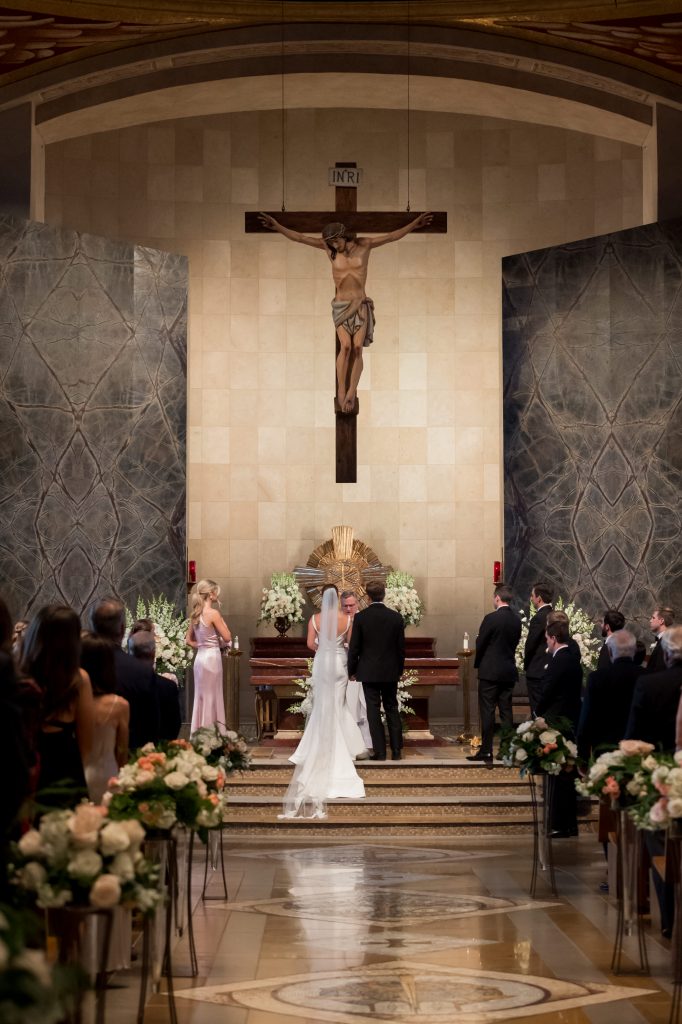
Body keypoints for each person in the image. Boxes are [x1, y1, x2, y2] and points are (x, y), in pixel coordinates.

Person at [259, 210, 432, 412]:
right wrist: (277, 227)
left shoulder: (365, 245)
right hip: (341, 306)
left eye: (336, 242)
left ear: (343, 236)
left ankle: (352, 391)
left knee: (358, 347)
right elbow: (300, 238)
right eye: (330, 243)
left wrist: (413, 225)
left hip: (359, 304)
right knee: (346, 347)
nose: (334, 246)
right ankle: (341, 391)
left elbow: (392, 236)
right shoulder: (330, 250)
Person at [280, 586, 366, 818]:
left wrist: (323, 648)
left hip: (321, 662)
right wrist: (337, 649)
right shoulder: (346, 619)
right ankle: (343, 747)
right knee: (338, 706)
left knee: (322, 707)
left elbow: (310, 644)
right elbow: (350, 646)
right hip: (339, 664)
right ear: (337, 598)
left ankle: (317, 746)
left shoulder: (315, 619)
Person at [21, 605, 94, 805]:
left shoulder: (18, 676)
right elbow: (87, 747)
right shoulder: (78, 679)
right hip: (65, 777)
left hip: (24, 773)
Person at [347, 580, 405, 761]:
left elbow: (354, 648)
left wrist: (352, 670)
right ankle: (396, 751)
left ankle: (379, 752)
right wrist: (399, 670)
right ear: (384, 594)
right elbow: (401, 649)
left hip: (368, 671)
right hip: (390, 672)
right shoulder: (396, 617)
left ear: (368, 596)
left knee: (372, 710)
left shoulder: (361, 617)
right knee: (391, 708)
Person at [536, 619, 583, 838]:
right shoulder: (573, 659)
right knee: (567, 773)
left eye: (547, 639)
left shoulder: (559, 660)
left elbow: (548, 690)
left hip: (557, 722)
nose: (547, 643)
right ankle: (569, 823)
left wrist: (539, 711)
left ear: (554, 639)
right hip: (570, 718)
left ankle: (560, 824)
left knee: (559, 774)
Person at [468, 584, 521, 768]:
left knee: (488, 711)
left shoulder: (491, 618)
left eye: (493, 598)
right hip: (508, 671)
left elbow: (481, 643)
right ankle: (506, 750)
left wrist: (479, 662)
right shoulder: (516, 620)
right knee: (506, 712)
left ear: (497, 598)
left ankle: (487, 750)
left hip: (490, 671)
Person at [577, 629, 640, 763]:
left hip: (603, 748)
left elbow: (586, 717)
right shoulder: (647, 677)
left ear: (610, 652)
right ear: (634, 650)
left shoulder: (596, 678)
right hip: (637, 748)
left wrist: (582, 755)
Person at [186, 579, 231, 733]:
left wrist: (201, 645)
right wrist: (223, 624)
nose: (217, 595)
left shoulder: (195, 614)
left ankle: (199, 734)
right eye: (216, 592)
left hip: (200, 658)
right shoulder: (213, 614)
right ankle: (213, 735)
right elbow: (227, 637)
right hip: (212, 659)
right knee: (213, 696)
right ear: (211, 594)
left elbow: (188, 641)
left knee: (201, 697)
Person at [129, 630, 181, 740]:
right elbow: (174, 726)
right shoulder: (168, 687)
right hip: (161, 751)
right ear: (153, 654)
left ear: (130, 653)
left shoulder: (124, 683)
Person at [340, 589, 372, 751]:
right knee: (349, 704)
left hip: (363, 667)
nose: (348, 609)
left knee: (365, 705)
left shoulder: (365, 618)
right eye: (345, 605)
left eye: (351, 605)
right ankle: (349, 741)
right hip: (343, 667)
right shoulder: (338, 620)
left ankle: (367, 742)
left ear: (357, 604)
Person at [523, 581, 554, 714]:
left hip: (536, 670)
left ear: (539, 598)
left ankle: (538, 734)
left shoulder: (538, 617)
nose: (531, 599)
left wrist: (526, 665)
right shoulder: (554, 615)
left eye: (532, 596)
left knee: (537, 711)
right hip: (551, 669)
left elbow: (531, 644)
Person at [648, 605, 675, 674]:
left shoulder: (666, 643)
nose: (650, 620)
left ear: (661, 621)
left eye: (653, 618)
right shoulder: (664, 639)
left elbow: (659, 670)